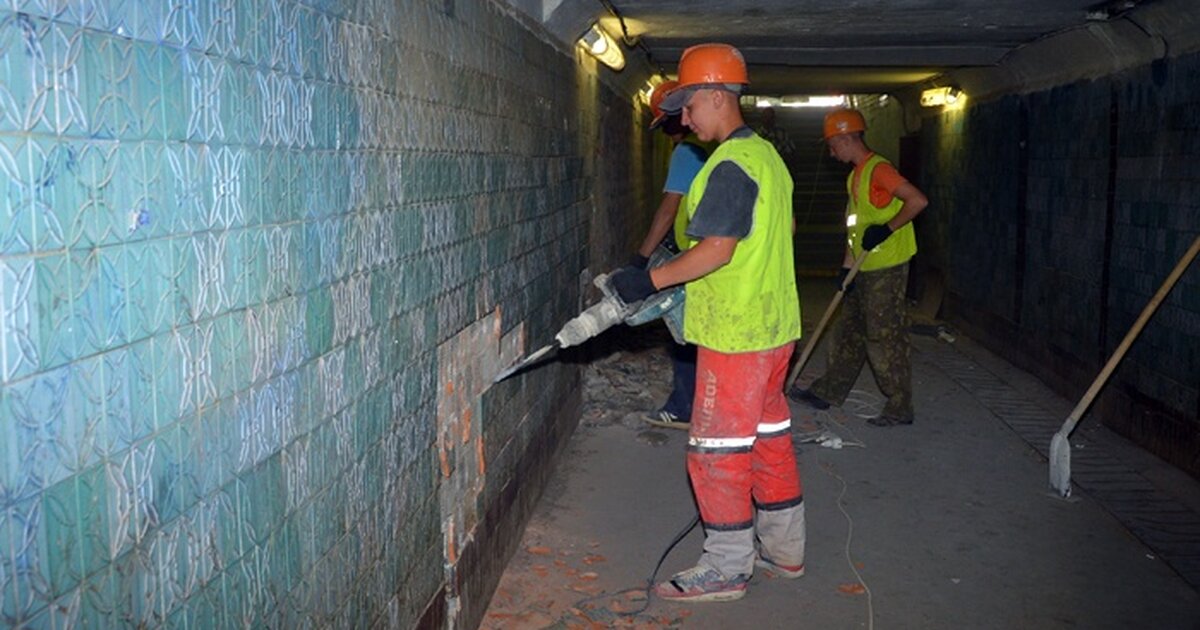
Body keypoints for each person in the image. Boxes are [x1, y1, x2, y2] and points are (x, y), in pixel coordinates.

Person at [611, 43, 805, 602]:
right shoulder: (767, 158)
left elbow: (718, 250)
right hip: (776, 329)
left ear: (718, 96)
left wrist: (650, 280)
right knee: (769, 442)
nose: (684, 119)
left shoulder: (727, 166)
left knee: (715, 449)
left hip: (737, 334)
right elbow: (781, 234)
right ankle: (785, 552)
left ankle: (725, 566)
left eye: (689, 106)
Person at [788, 108, 928, 427]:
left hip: (887, 266)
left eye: (832, 144)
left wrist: (888, 227)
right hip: (863, 267)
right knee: (848, 330)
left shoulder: (879, 170)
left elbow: (917, 201)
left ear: (846, 138)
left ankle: (899, 405)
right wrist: (844, 269)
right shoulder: (856, 176)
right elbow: (854, 227)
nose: (830, 150)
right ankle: (828, 391)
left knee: (883, 335)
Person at [630, 79, 709, 431]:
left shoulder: (687, 151)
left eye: (665, 125)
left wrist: (641, 259)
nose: (667, 134)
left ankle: (683, 407)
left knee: (684, 330)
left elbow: (668, 208)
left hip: (698, 255)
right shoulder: (719, 148)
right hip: (713, 252)